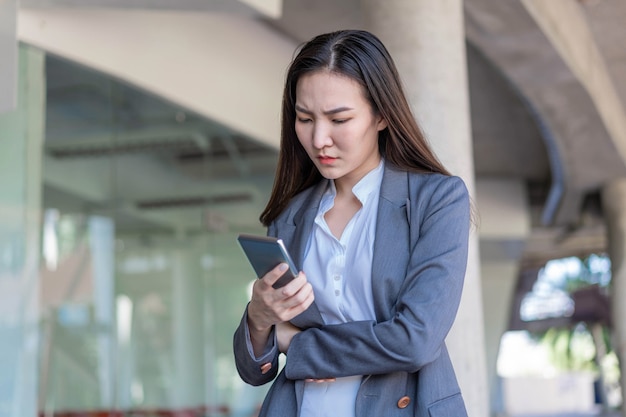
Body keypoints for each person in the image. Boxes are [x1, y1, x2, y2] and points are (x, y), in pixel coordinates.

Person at [233, 29, 470, 417]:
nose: (319, 139)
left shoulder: (437, 200)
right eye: (305, 118)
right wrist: (260, 320)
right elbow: (255, 370)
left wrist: (298, 344)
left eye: (338, 119)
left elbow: (415, 340)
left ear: (381, 115)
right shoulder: (288, 216)